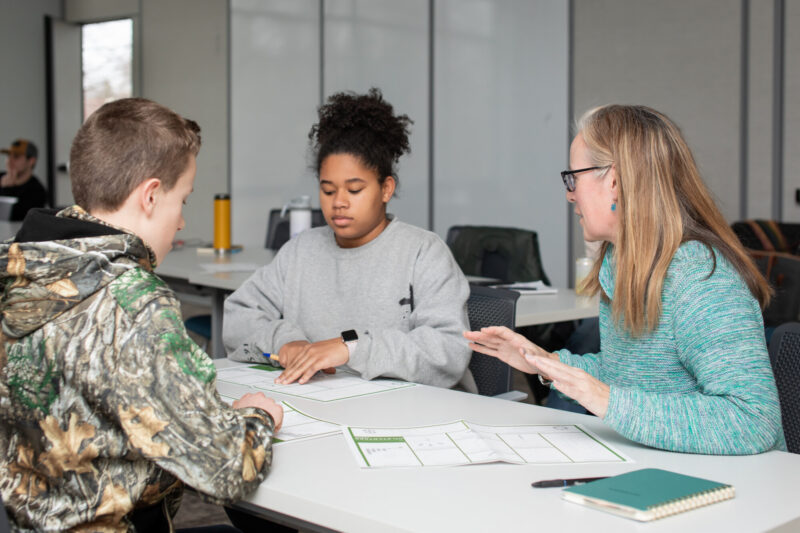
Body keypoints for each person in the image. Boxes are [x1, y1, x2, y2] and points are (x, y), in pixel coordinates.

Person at [0, 98, 283, 531]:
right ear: (150, 196)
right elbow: (228, 469)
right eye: (182, 200)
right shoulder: (133, 303)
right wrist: (257, 416)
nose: (182, 222)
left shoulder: (18, 271)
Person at [465, 104, 785, 455]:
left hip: (729, 480)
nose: (570, 194)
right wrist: (545, 362)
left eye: (573, 178)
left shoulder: (700, 279)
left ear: (614, 181)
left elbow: (754, 420)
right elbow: (627, 376)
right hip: (655, 460)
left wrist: (607, 401)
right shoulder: (620, 263)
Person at [224, 88, 472, 388]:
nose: (338, 202)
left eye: (354, 190)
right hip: (325, 402)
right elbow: (238, 316)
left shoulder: (423, 252)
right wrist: (286, 342)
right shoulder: (300, 251)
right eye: (328, 190)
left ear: (386, 189)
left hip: (411, 407)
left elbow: (448, 350)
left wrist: (351, 348)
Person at [0, 139, 47, 220]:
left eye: (16, 156)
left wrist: (7, 189)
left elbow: (19, 218)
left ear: (31, 161)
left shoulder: (37, 190)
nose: (9, 161)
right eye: (8, 156)